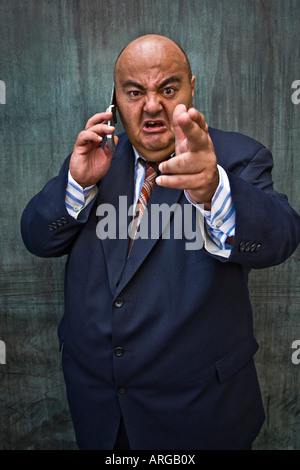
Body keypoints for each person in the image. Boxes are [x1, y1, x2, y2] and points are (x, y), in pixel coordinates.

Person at [21, 34, 300, 450]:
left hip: (201, 414)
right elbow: (37, 239)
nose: (151, 106)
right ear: (114, 99)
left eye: (168, 89)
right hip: (99, 411)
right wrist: (76, 184)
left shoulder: (238, 157)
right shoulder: (95, 157)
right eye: (134, 92)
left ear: (192, 87)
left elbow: (281, 237)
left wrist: (213, 192)